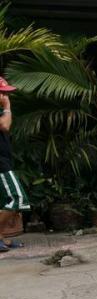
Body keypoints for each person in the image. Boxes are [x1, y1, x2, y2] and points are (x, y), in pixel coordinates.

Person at [0, 76, 30, 252]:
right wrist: (7, 107)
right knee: (17, 198)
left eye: (6, 93)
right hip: (1, 164)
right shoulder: (4, 111)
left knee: (3, 201)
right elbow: (5, 125)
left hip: (4, 161)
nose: (6, 96)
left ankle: (1, 238)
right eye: (2, 93)